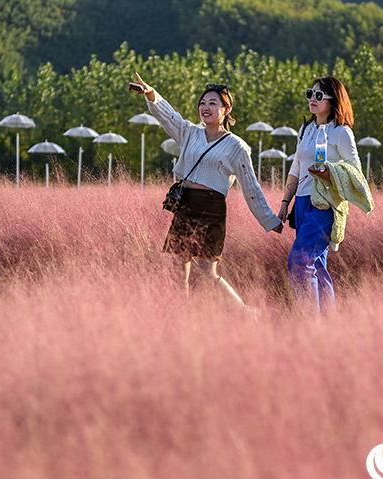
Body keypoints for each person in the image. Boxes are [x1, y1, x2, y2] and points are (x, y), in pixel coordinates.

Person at [129, 73, 283, 308]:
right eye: (202, 103)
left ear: (226, 109)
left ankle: (244, 312)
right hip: (186, 204)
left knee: (206, 271)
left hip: (211, 208)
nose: (205, 107)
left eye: (213, 103)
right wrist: (151, 93)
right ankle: (182, 313)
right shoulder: (190, 133)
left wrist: (270, 220)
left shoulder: (237, 146)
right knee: (177, 265)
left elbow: (251, 186)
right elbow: (169, 117)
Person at [277, 76, 362, 315]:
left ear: (333, 101)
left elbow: (355, 170)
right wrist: (286, 202)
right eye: (310, 94)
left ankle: (309, 324)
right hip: (302, 203)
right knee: (316, 264)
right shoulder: (306, 128)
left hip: (325, 205)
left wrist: (330, 174)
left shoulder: (341, 132)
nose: (312, 100)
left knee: (299, 261)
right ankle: (328, 327)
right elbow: (296, 166)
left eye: (319, 96)